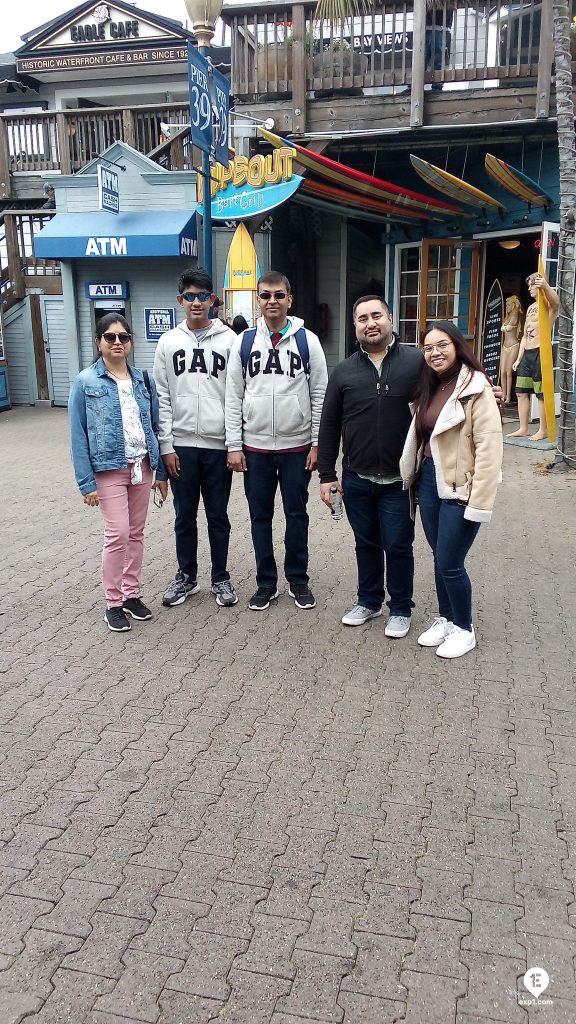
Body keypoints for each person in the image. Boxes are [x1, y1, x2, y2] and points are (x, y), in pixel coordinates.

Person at [317, 295, 422, 637]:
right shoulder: (344, 371)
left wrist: (485, 389)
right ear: (355, 327)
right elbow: (329, 424)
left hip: (398, 480)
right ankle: (369, 600)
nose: (370, 323)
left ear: (390, 319)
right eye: (362, 319)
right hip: (357, 478)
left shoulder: (416, 362)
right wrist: (327, 476)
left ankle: (402, 608)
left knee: (398, 544)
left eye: (376, 316)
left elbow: (453, 381)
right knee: (366, 543)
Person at [400, 321, 503, 658]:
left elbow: (489, 449)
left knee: (450, 561)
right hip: (429, 478)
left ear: (458, 346)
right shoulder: (430, 385)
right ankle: (446, 618)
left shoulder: (477, 388)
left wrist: (480, 502)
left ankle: (464, 628)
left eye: (441, 345)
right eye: (428, 348)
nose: (434, 353)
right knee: (438, 555)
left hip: (462, 486)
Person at [226, 271, 328, 611]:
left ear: (290, 299)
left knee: (297, 515)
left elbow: (319, 395)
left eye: (279, 295)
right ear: (258, 299)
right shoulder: (242, 342)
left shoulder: (307, 341)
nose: (273, 301)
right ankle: (266, 583)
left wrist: (317, 444)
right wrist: (234, 445)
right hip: (254, 449)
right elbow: (233, 396)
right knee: (260, 517)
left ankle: (298, 580)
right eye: (266, 295)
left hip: (296, 447)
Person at [68, 313, 167, 633]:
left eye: (123, 337)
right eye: (110, 337)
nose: (117, 343)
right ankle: (112, 602)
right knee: (118, 533)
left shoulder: (142, 379)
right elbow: (78, 434)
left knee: (136, 534)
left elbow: (153, 426)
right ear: (99, 342)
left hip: (142, 465)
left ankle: (131, 595)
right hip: (108, 469)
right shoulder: (86, 382)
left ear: (131, 341)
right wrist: (86, 483)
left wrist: (161, 472)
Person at [153, 268, 239, 609]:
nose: (196, 302)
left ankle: (220, 577)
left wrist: (234, 444)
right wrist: (166, 446)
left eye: (203, 296)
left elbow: (236, 396)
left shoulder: (230, 340)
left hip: (218, 447)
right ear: (180, 300)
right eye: (189, 296)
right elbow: (160, 396)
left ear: (213, 300)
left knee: (218, 515)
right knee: (184, 515)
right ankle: (186, 577)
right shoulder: (168, 342)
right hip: (182, 447)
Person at [508, 271, 559, 440]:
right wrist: (518, 358)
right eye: (528, 285)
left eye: (531, 285)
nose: (529, 288)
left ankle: (543, 430)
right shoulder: (530, 307)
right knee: (521, 392)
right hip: (527, 353)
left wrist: (545, 285)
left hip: (540, 351)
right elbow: (524, 336)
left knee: (541, 393)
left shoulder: (547, 305)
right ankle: (523, 428)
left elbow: (556, 303)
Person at [426, 0, 455, 91]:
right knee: (432, 56)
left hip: (439, 28)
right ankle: (436, 85)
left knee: (436, 56)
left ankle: (437, 85)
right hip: (433, 27)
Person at [500, 294, 523, 404]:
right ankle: (503, 395)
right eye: (506, 305)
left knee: (509, 372)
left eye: (508, 305)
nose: (507, 307)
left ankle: (508, 396)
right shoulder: (507, 317)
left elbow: (517, 308)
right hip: (505, 346)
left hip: (513, 345)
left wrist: (516, 304)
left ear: (513, 306)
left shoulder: (514, 316)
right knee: (502, 371)